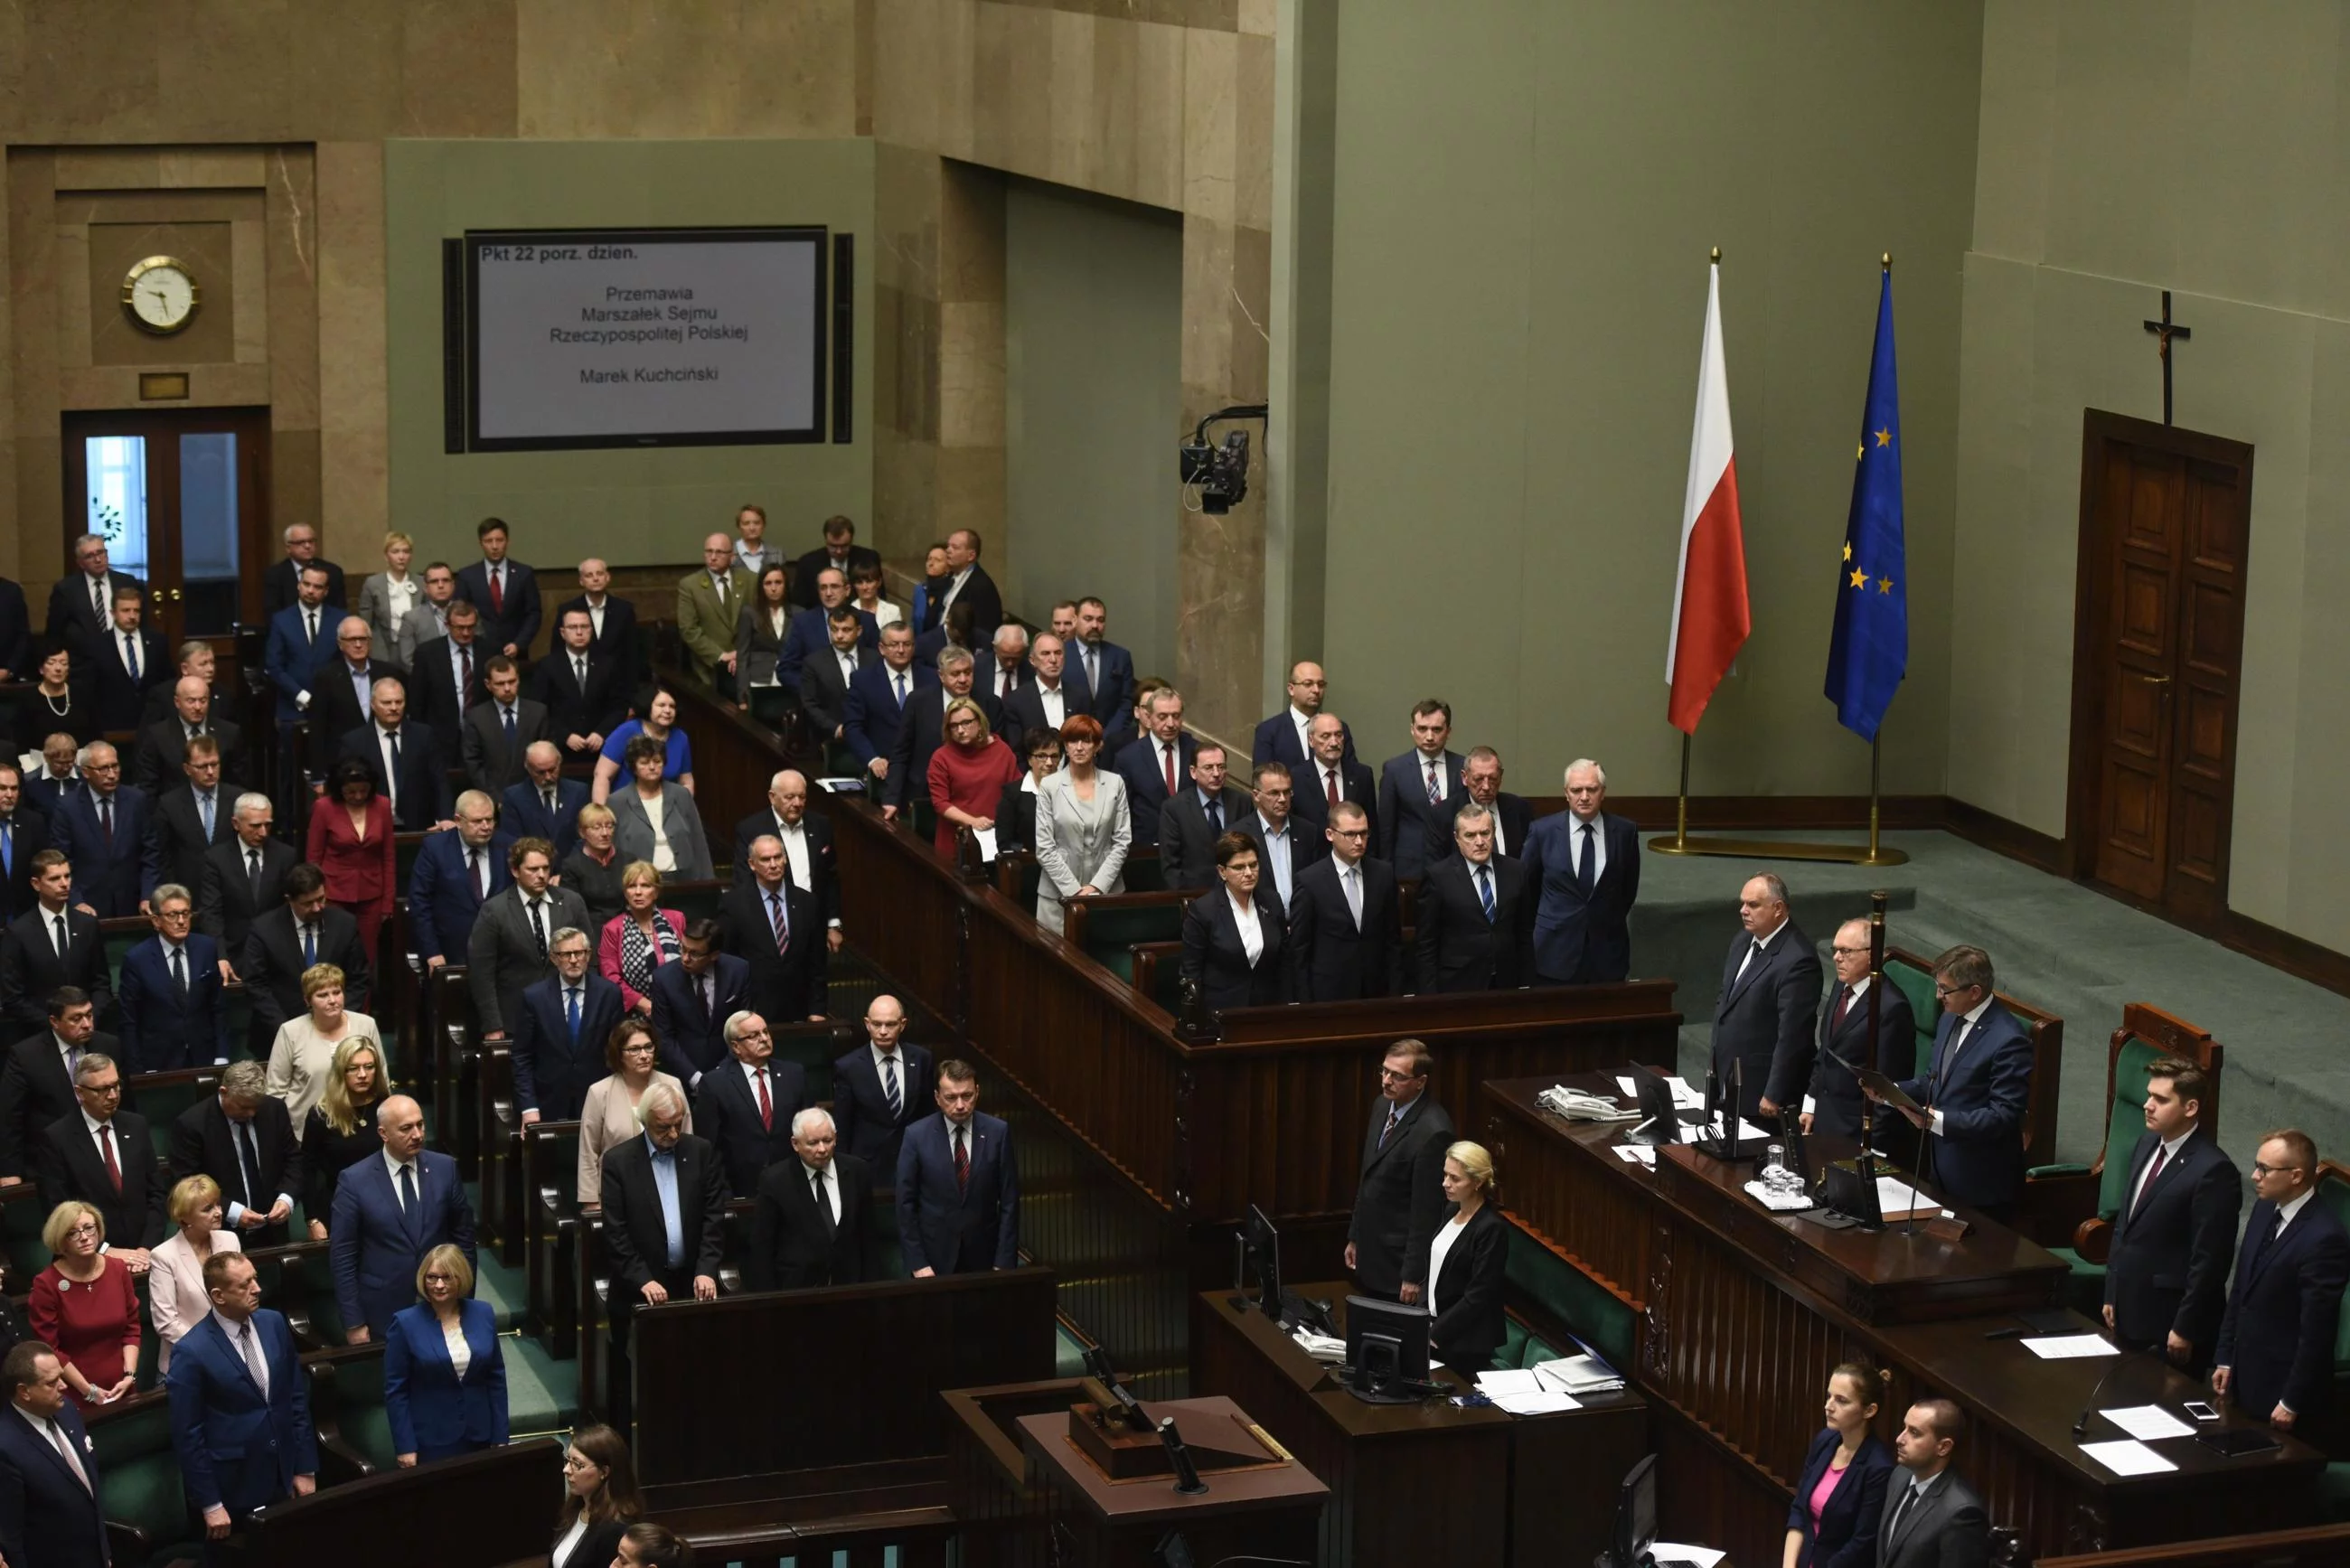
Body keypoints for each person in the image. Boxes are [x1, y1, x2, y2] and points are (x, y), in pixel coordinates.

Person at [2100, 1056, 2240, 1371]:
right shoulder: (2146, 1143)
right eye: (2149, 1095)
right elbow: (2125, 1224)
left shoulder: (2213, 1171)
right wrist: (2112, 1292)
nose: (2148, 1105)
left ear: (2190, 1108)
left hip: (2169, 1322)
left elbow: (2210, 1261)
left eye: (2161, 1099)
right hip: (2128, 1307)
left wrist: (2186, 1326)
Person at [164, 1252, 317, 1540]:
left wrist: (304, 1466)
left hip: (284, 1474)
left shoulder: (273, 1323)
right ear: (219, 1296)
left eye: (255, 1279)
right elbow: (188, 1434)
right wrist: (210, 1503)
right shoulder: (191, 1351)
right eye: (245, 1284)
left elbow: (294, 1398)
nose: (257, 1289)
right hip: (234, 1487)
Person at [598, 1083, 723, 1430]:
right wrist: (643, 1279)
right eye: (662, 1127)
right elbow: (616, 1232)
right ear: (645, 1122)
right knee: (642, 1384)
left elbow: (714, 1218)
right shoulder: (619, 1162)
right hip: (640, 1291)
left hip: (691, 1286)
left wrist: (707, 1269)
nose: (672, 1133)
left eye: (677, 1124)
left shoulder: (700, 1151)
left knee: (696, 1378)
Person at [1874, 945, 2031, 1216]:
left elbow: (2004, 1116)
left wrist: (1938, 1122)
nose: (1938, 996)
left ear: (1974, 992)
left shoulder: (2009, 1040)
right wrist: (1891, 1092)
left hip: (1981, 1183)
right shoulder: (1949, 1019)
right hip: (1941, 1169)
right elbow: (1933, 1081)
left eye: (1945, 989)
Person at [2214, 1129, 2350, 1435]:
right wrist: (2225, 1358)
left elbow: (2317, 1331)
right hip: (2243, 1379)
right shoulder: (2265, 1209)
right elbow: (2241, 1290)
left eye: (2264, 1169)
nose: (2254, 1176)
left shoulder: (2325, 1238)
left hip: (2282, 1396)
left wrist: (2292, 1401)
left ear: (2297, 1176)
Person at [330, 1094, 475, 1341]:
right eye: (406, 1128)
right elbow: (342, 1255)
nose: (417, 1134)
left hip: (442, 1303)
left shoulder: (445, 1168)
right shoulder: (354, 1181)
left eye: (420, 1125)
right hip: (384, 1310)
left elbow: (464, 1238)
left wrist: (465, 1300)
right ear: (384, 1134)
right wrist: (354, 1321)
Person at [34, 1054, 165, 1263]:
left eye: (116, 1085)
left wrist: (146, 1247)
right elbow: (57, 1208)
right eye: (103, 1089)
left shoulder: (136, 1125)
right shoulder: (57, 1138)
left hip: (144, 1255)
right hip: (88, 1259)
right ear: (80, 1093)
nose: (113, 1095)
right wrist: (105, 1250)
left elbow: (156, 1193)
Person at [1347, 1039, 1451, 1303]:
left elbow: (1426, 1211)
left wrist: (1413, 1275)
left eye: (1398, 1076)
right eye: (1384, 1071)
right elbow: (1367, 1177)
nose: (1386, 1081)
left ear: (1421, 1081)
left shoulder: (1434, 1132)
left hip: (1397, 1267)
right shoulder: (1381, 1106)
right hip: (1370, 1249)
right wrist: (1355, 1236)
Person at [1711, 874, 1822, 1122]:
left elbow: (1793, 1034)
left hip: (1762, 1093)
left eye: (1753, 905)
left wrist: (1774, 1093)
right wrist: (1714, 1067)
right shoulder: (1742, 940)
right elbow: (1725, 1003)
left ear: (1778, 909)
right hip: (1730, 1079)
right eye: (1743, 903)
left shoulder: (1799, 960)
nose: (1743, 910)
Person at [384, 1244, 507, 1467]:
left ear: (461, 1278)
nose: (438, 1285)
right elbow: (396, 1391)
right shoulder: (405, 1323)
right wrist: (405, 1445)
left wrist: (500, 1435)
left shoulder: (483, 1313)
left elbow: (496, 1378)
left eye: (446, 1277)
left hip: (479, 1433)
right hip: (431, 1439)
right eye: (432, 1277)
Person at [1520, 759, 1641, 984]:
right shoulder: (1542, 831)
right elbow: (1527, 888)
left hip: (1607, 952)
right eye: (1577, 790)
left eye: (1591, 789)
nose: (1584, 796)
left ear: (1602, 792)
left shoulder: (1625, 832)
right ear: (1566, 793)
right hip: (1553, 953)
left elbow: (1627, 890)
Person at [1803, 919, 1920, 1144]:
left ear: (1871, 954)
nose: (1837, 957)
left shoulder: (1891, 1007)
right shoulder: (1842, 986)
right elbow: (1826, 1052)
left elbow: (1889, 1085)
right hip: (1824, 1122)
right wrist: (1811, 1104)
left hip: (1856, 1133)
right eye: (1835, 950)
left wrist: (1875, 1148)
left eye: (1846, 951)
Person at [897, 1059, 1018, 1276]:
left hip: (985, 1256)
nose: (960, 1105)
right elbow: (905, 1205)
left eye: (967, 1095)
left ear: (977, 1092)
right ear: (937, 1098)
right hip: (933, 1258)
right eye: (951, 1098)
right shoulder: (916, 1136)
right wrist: (918, 1262)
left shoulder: (998, 1132)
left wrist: (1004, 1260)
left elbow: (1009, 1201)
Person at [467, 839, 590, 1045]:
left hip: (567, 1013)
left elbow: (589, 959)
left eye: (545, 868)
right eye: (533, 869)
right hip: (515, 1018)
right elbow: (481, 972)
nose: (541, 875)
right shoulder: (495, 910)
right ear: (515, 871)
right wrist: (493, 1025)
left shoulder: (571, 902)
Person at [0, 1340, 110, 1568]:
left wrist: (105, 1552)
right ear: (24, 1391)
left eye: (61, 1376)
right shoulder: (5, 1447)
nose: (64, 1386)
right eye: (51, 1383)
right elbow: (11, 1536)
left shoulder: (67, 1410)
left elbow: (88, 1493)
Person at [245, 865, 374, 1054]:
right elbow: (256, 984)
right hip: (279, 1035)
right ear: (289, 900)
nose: (317, 907)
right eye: (308, 903)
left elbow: (359, 978)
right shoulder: (264, 930)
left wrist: (338, 1019)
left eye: (321, 899)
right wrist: (286, 1029)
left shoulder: (344, 924)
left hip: (337, 1035)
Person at [169, 1061, 300, 1247]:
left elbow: (294, 1160)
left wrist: (286, 1198)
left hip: (273, 1232)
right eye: (244, 1107)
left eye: (256, 1106)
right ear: (224, 1092)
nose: (251, 1113)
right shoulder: (192, 1125)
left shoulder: (274, 1110)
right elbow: (186, 1185)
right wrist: (232, 1211)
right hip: (218, 1233)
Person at [1287, 801, 1403, 1001]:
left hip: (1376, 989)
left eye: (1364, 833)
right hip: (1329, 992)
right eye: (1350, 834)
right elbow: (1300, 949)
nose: (1359, 841)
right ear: (1330, 834)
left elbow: (1392, 940)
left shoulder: (1383, 874)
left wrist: (1395, 991)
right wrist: (1304, 1001)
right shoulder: (1309, 881)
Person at [1784, 1365, 1895, 1568]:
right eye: (1829, 1396)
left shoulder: (1879, 1467)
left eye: (1841, 1401)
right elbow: (1799, 1509)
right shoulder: (1825, 1440)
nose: (1829, 1406)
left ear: (1869, 1411)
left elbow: (1862, 1542)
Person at [28, 1200, 138, 1404]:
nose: (84, 1237)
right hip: (75, 1390)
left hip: (122, 1384)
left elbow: (132, 1329)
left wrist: (129, 1375)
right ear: (61, 1241)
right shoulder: (46, 1283)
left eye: (89, 1228)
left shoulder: (117, 1269)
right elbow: (50, 1348)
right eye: (72, 1233)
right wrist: (87, 1390)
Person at [749, 1106, 871, 1291]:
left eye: (828, 1140)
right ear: (795, 1144)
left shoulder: (857, 1171)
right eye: (813, 1143)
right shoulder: (775, 1181)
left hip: (850, 1290)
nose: (822, 1149)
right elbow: (763, 1247)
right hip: (797, 1293)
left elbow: (868, 1238)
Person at [1415, 803, 1534, 992]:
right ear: (1457, 838)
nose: (1479, 841)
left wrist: (1527, 983)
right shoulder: (1438, 877)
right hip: (1458, 984)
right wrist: (1429, 995)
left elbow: (1524, 933)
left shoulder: (1516, 870)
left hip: (1507, 981)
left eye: (1485, 833)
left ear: (1493, 833)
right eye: (1470, 835)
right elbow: (1426, 943)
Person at [512, 927, 625, 1125]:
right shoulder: (534, 997)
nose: (573, 960)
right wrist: (529, 1107)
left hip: (599, 1099)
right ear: (554, 959)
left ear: (588, 955)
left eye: (579, 953)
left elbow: (617, 1052)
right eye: (566, 954)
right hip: (548, 1101)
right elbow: (522, 1056)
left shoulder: (609, 994)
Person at [694, 1011, 810, 1201]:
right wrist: (725, 1193)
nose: (764, 1039)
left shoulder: (794, 1074)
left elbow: (808, 1130)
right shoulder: (715, 1084)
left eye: (765, 1032)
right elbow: (709, 1147)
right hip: (742, 1189)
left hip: (794, 1186)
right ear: (735, 1046)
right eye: (754, 1036)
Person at [0, 988, 111, 1185]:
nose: (86, 1024)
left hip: (104, 1156)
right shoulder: (26, 1056)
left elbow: (126, 1106)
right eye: (76, 1019)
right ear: (54, 1021)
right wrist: (10, 1172)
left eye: (89, 1015)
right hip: (51, 1164)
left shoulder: (109, 1046)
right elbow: (10, 1119)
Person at [117, 883, 229, 1072]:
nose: (181, 921)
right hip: (158, 1061)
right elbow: (129, 1021)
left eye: (186, 913)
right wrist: (138, 1069)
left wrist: (222, 1055)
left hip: (204, 1055)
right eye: (172, 915)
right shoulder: (137, 959)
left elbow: (218, 1008)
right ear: (155, 920)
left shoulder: (206, 948)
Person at [1033, 715, 1130, 933]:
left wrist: (1096, 887)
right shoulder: (1050, 786)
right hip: (1057, 894)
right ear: (1065, 746)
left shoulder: (1115, 783)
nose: (1079, 747)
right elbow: (1045, 848)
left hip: (1106, 891)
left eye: (1086, 741)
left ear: (1097, 746)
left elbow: (1122, 841)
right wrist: (1075, 891)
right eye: (1072, 741)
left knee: (1101, 961)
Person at [264, 962, 382, 1140]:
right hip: (303, 1133)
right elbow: (275, 1092)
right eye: (323, 995)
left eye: (337, 992)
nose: (332, 1000)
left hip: (358, 1128)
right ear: (308, 1001)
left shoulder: (365, 1024)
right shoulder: (290, 1032)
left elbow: (381, 1079)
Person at [578, 1018, 691, 1204]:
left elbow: (687, 1139)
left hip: (667, 1188)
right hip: (616, 1192)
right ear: (619, 1054)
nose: (644, 1055)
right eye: (634, 1049)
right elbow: (588, 1152)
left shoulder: (672, 1085)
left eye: (649, 1047)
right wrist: (591, 1202)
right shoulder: (599, 1092)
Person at [719, 837, 826, 1028]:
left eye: (778, 857)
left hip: (798, 1009)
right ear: (752, 864)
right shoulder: (734, 904)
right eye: (766, 859)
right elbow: (727, 961)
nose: (774, 864)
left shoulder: (807, 902)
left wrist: (817, 1010)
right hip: (752, 1009)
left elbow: (817, 961)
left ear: (785, 859)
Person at [1, 855, 112, 1038]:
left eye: (67, 876)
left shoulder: (87, 925)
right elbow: (13, 997)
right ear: (36, 884)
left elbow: (101, 983)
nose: (64, 884)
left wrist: (87, 1020)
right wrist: (57, 1026)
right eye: (55, 878)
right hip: (40, 1036)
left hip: (88, 1033)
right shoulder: (18, 932)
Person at [881, 650, 1002, 817]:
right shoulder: (918, 702)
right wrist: (891, 798)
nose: (963, 679)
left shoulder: (990, 703)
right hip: (923, 795)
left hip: (973, 798)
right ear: (941, 675)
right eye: (955, 674)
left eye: (967, 672)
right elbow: (901, 752)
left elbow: (996, 755)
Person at [729, 770, 840, 953]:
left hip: (814, 924)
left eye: (802, 797)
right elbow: (743, 879)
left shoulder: (821, 825)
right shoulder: (750, 829)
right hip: (773, 924)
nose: (797, 803)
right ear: (772, 797)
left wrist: (833, 924)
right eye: (789, 797)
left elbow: (830, 876)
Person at [1180, 832, 1291, 1013]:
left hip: (1269, 1007)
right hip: (1221, 1012)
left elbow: (1284, 960)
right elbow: (1191, 972)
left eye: (1253, 865)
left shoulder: (1272, 901)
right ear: (1222, 872)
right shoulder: (1204, 910)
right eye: (1239, 867)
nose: (1248, 873)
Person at [407, 793, 513, 973]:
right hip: (450, 953)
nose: (486, 827)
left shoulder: (508, 846)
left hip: (501, 954)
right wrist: (432, 952)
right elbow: (419, 902)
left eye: (490, 819)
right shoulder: (435, 849)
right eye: (478, 821)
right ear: (458, 821)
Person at [148, 1174, 244, 1375]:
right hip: (189, 1361)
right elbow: (166, 1323)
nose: (218, 1212)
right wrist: (214, 1348)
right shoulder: (164, 1256)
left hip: (235, 1354)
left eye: (218, 1205)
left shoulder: (229, 1240)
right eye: (208, 1209)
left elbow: (239, 1293)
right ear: (185, 1218)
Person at [831, 993, 934, 1179]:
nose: (883, 1031)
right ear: (867, 1024)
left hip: (914, 1161)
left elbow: (928, 1114)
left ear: (902, 1024)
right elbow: (843, 1124)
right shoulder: (848, 1066)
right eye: (877, 1024)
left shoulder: (921, 1059)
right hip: (868, 1166)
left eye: (890, 1024)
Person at [1426, 1141, 1508, 1374]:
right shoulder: (1452, 1210)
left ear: (1478, 1182)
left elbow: (1478, 1294)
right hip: (1434, 1327)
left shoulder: (1491, 1229)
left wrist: (1436, 1333)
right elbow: (1434, 1267)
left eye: (1455, 1178)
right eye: (1445, 1175)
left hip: (1464, 1343)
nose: (1446, 1183)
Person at [1876, 1400, 1988, 1568]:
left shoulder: (1962, 1513)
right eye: (1904, 1427)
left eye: (1914, 1433)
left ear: (1943, 1447)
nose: (1900, 1439)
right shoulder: (1900, 1475)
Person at [308, 756, 395, 972]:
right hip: (333, 894)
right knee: (333, 957)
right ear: (340, 789)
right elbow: (313, 857)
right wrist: (316, 898)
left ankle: (360, 1007)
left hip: (371, 894)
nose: (358, 796)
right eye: (351, 792)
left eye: (363, 791)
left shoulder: (382, 805)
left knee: (365, 959)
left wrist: (387, 902)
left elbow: (388, 856)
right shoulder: (324, 807)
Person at [334, 676, 452, 834]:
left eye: (399, 702)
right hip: (370, 828)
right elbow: (343, 789)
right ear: (373, 705)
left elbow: (439, 781)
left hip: (419, 825)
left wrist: (446, 817)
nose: (394, 707)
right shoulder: (354, 742)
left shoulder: (424, 735)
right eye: (386, 703)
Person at [51, 743, 155, 919]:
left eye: (115, 766)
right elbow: (62, 860)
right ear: (85, 772)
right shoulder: (68, 807)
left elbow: (151, 854)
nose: (112, 774)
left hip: (134, 904)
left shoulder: (137, 800)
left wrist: (148, 896)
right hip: (87, 905)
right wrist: (76, 901)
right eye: (104, 769)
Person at [649, 922, 750, 1094]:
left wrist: (722, 1073)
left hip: (732, 1072)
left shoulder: (738, 970)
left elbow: (744, 1027)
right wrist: (696, 1079)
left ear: (714, 955)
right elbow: (664, 1037)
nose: (685, 958)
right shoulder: (663, 979)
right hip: (684, 1076)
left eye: (694, 954)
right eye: (683, 949)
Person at [198, 793, 292, 966]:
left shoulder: (285, 856)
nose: (263, 832)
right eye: (255, 826)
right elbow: (211, 913)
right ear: (236, 823)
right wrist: (220, 955)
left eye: (268, 825)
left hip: (276, 956)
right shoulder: (217, 859)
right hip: (234, 954)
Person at [302, 1038, 384, 1235]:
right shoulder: (321, 1114)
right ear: (340, 1071)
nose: (362, 1075)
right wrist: (312, 1219)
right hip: (340, 1206)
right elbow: (306, 1169)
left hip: (384, 1204)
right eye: (353, 1068)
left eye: (369, 1067)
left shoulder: (386, 1105)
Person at [1374, 700, 1462, 882]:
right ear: (1412, 729)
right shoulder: (1394, 770)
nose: (1429, 736)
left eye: (1437, 729)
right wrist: (1385, 871)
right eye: (1422, 729)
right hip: (1409, 868)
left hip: (1456, 864)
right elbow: (1386, 827)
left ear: (1448, 732)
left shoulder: (1463, 767)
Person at [609, 737, 715, 880]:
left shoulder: (681, 794)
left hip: (683, 878)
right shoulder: (617, 801)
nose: (652, 767)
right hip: (638, 881)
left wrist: (708, 881)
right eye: (644, 763)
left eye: (657, 761)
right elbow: (611, 847)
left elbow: (698, 840)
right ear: (633, 767)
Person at [531, 606, 627, 765]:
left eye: (584, 627)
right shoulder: (547, 665)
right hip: (561, 750)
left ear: (591, 630)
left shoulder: (609, 664)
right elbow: (539, 708)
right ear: (562, 632)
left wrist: (601, 733)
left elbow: (619, 706)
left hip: (602, 749)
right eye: (573, 627)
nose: (579, 632)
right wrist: (564, 735)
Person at [844, 621, 934, 785]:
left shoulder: (931, 678)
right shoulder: (863, 680)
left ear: (913, 647)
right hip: (882, 770)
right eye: (894, 645)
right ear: (881, 648)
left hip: (924, 772)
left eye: (906, 644)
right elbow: (853, 727)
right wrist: (872, 759)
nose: (901, 650)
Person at [149, 734, 236, 899]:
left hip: (231, 894)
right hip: (187, 895)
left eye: (214, 764)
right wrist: (173, 894)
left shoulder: (238, 799)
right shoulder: (169, 804)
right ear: (187, 769)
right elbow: (163, 856)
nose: (210, 772)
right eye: (202, 766)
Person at [1110, 687, 1197, 850]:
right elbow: (1120, 812)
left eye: (1176, 716)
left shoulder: (1196, 752)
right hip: (1147, 850)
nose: (1170, 724)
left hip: (1192, 850)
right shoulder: (1128, 757)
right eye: (1163, 717)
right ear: (1148, 719)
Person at [1159, 742, 1251, 890]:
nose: (1216, 774)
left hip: (1238, 892)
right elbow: (1170, 864)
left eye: (1221, 767)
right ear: (1193, 772)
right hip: (1195, 896)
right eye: (1208, 768)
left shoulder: (1242, 802)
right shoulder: (1174, 808)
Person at [550, 1424, 644, 1568]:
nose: (566, 1470)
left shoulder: (615, 1530)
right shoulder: (575, 1508)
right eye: (568, 1460)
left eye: (577, 1464)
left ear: (604, 1472)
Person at [135, 672, 244, 795]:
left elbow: (239, 783)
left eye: (203, 701)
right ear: (177, 702)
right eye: (191, 701)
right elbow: (148, 786)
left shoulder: (229, 732)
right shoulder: (158, 735)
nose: (198, 707)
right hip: (172, 811)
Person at [45, 533, 144, 669]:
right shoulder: (66, 589)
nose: (98, 559)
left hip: (123, 661)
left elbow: (141, 623)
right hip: (82, 665)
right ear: (80, 563)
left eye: (101, 552)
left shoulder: (127, 582)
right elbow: (54, 633)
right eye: (90, 556)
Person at [1238, 762, 1323, 918]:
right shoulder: (1239, 834)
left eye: (1287, 792)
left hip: (1302, 925)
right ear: (1256, 795)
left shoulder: (1308, 832)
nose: (1283, 799)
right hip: (1259, 926)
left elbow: (1318, 884)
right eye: (1274, 793)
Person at [601, 864, 686, 1017]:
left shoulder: (677, 919)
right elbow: (611, 977)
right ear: (625, 893)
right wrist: (646, 1005)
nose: (638, 892)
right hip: (636, 1015)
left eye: (645, 886)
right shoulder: (612, 929)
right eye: (632, 886)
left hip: (680, 1006)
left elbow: (689, 962)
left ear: (656, 892)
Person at [408, 596, 487, 756]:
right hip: (440, 738)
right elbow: (417, 702)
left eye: (470, 627)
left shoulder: (489, 650)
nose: (466, 633)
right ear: (447, 625)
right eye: (460, 628)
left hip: (482, 736)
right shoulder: (427, 654)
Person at [306, 616, 404, 745]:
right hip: (343, 755)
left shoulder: (388, 672)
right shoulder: (326, 678)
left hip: (383, 750)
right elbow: (318, 727)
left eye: (363, 639)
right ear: (340, 644)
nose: (358, 645)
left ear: (370, 642)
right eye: (352, 639)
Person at [462, 655, 550, 794]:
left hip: (533, 795)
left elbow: (547, 758)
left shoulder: (538, 713)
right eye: (500, 684)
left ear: (519, 679)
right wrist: (495, 797)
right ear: (488, 684)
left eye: (512, 681)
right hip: (493, 798)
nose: (507, 688)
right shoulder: (476, 717)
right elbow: (473, 763)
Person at [456, 516, 540, 661]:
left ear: (507, 542)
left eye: (499, 540)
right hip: (478, 650)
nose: (495, 546)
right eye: (489, 541)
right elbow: (461, 613)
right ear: (481, 543)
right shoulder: (467, 576)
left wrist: (519, 643)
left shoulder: (523, 573)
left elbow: (534, 613)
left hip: (516, 652)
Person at [678, 532, 754, 693]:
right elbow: (689, 630)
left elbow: (761, 622)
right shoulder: (690, 585)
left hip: (748, 664)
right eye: (708, 551)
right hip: (709, 670)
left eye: (719, 552)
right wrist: (721, 655)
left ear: (732, 557)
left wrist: (741, 654)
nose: (712, 557)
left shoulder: (750, 580)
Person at [1252, 660, 1355, 775]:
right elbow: (1264, 780)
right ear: (1291, 689)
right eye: (1308, 684)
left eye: (1321, 685)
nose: (1316, 690)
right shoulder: (1269, 731)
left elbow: (1351, 774)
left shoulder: (1339, 729)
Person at [593, 686, 694, 803]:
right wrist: (602, 815)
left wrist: (683, 808)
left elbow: (686, 782)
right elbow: (602, 775)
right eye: (661, 705)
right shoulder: (627, 731)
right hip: (626, 807)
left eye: (672, 706)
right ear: (647, 706)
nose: (668, 710)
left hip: (667, 807)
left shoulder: (680, 737)